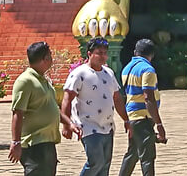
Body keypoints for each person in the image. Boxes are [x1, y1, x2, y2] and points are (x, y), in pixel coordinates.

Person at [61, 38, 127, 176]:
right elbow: (67, 99)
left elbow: (117, 98)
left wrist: (126, 120)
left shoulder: (108, 73)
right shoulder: (79, 73)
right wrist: (67, 125)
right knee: (96, 162)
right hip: (88, 126)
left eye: (105, 53)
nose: (103, 56)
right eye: (99, 53)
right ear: (89, 54)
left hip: (107, 126)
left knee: (104, 166)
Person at [10, 41, 73, 176]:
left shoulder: (44, 81)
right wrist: (15, 142)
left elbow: (53, 109)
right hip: (34, 144)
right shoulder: (25, 81)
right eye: (50, 55)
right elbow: (17, 113)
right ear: (45, 59)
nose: (52, 59)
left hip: (47, 142)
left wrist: (69, 123)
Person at [119, 39, 165, 176]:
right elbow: (148, 97)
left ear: (135, 52)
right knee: (147, 157)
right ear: (152, 54)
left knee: (132, 154)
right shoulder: (147, 69)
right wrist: (159, 124)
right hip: (143, 117)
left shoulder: (127, 68)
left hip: (132, 115)